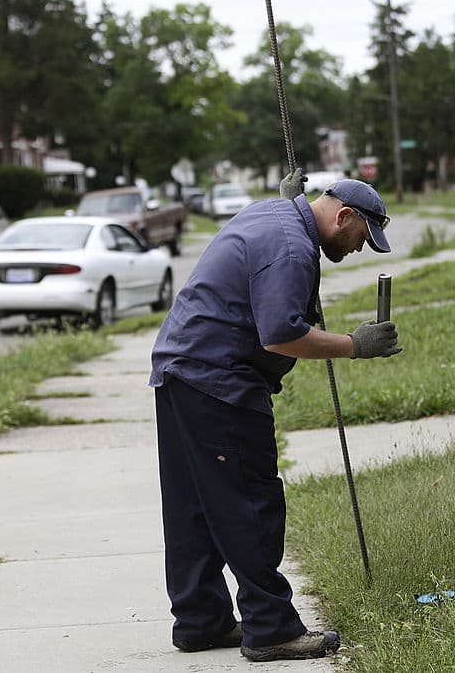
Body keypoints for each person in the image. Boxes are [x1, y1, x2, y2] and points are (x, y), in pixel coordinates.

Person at [149, 170, 401, 663]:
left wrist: (294, 205)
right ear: (344, 215)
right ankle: (270, 627)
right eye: (361, 238)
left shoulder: (276, 212)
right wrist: (354, 346)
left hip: (180, 372)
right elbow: (280, 334)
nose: (358, 249)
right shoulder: (292, 246)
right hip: (220, 383)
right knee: (250, 503)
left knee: (195, 509)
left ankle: (200, 620)